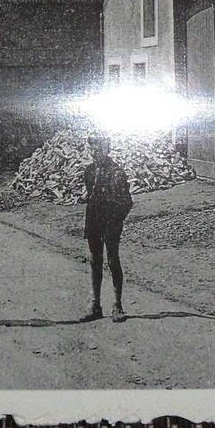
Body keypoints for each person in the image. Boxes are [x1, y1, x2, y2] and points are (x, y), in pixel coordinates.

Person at [79, 133, 134, 322]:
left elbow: (127, 202)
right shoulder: (89, 171)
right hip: (93, 221)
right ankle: (95, 305)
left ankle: (117, 305)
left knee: (112, 261)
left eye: (99, 148)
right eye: (92, 148)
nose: (95, 152)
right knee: (95, 261)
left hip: (110, 224)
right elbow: (90, 194)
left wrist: (114, 222)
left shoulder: (117, 172)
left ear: (107, 149)